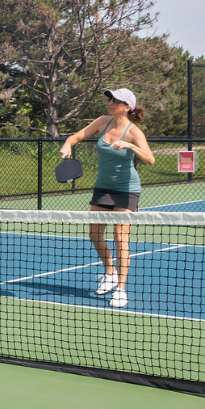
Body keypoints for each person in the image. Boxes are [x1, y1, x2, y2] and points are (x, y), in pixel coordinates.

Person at [59, 88, 155, 308]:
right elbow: (77, 136)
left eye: (116, 100)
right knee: (94, 234)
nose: (111, 103)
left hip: (126, 189)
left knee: (121, 239)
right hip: (103, 188)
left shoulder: (134, 132)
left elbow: (150, 159)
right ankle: (110, 273)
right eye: (110, 99)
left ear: (127, 107)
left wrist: (130, 145)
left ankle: (121, 288)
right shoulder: (102, 122)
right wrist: (68, 144)